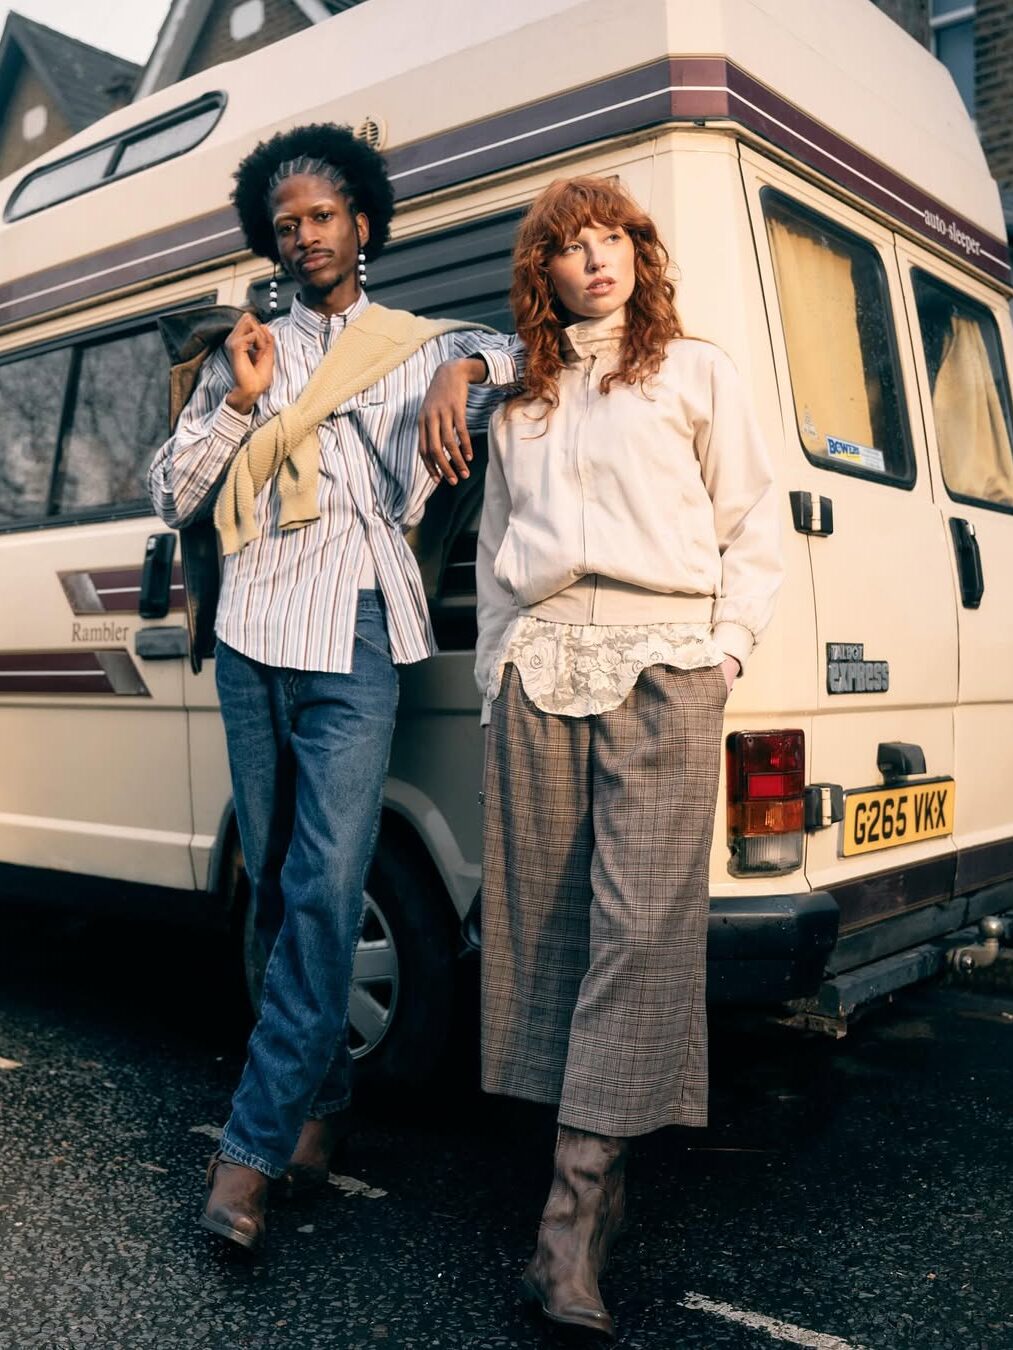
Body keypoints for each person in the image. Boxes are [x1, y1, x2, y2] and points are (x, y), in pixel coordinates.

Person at [147, 122, 521, 1251]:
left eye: (322, 216)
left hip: (353, 629)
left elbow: (527, 353)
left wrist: (462, 372)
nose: (305, 235)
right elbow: (171, 495)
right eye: (286, 224)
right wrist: (240, 401)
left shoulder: (417, 345)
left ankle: (249, 1150)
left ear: (362, 220)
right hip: (250, 629)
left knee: (323, 887)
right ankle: (321, 1101)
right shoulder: (244, 349)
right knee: (272, 884)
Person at [424, 176, 783, 1339]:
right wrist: (493, 671)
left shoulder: (694, 371)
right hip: (537, 668)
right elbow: (493, 549)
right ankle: (595, 1188)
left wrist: (725, 652)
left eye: (611, 239)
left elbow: (750, 520)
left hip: (665, 661)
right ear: (544, 271)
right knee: (543, 930)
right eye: (570, 247)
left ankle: (568, 1221)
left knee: (639, 931)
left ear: (638, 253)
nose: (594, 259)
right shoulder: (517, 401)